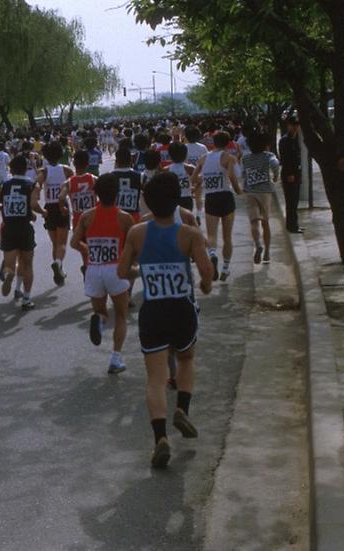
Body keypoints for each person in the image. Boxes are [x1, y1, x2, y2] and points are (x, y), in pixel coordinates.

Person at [117, 172, 213, 468]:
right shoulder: (189, 234)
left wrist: (142, 271)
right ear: (176, 201)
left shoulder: (137, 232)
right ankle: (182, 408)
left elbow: (122, 272)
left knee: (156, 378)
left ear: (148, 201)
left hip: (153, 311)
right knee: (185, 359)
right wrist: (206, 287)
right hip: (182, 309)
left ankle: (160, 438)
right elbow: (207, 271)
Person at [72, 173, 134, 374]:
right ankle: (115, 359)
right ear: (117, 193)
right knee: (122, 315)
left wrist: (86, 249)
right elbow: (134, 248)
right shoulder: (125, 218)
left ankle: (98, 320)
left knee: (101, 312)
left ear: (96, 194)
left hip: (94, 269)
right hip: (115, 270)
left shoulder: (87, 216)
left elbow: (74, 242)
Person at [0, 155, 45, 310]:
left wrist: (7, 205)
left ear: (10, 168)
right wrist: (43, 212)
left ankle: (10, 273)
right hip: (24, 227)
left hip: (8, 227)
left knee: (10, 263)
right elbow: (33, 204)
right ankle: (27, 299)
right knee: (27, 264)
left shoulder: (4, 184)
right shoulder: (32, 184)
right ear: (26, 168)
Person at [192, 130, 243, 281]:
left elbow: (194, 178)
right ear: (228, 143)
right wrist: (239, 191)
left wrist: (205, 179)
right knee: (227, 237)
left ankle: (213, 255)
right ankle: (226, 268)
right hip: (226, 196)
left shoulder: (203, 158)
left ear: (213, 142)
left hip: (211, 197)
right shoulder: (229, 158)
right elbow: (234, 176)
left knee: (212, 235)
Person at [38, 142, 74, 286]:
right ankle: (58, 263)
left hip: (49, 207)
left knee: (55, 243)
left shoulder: (44, 171)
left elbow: (36, 186)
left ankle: (59, 266)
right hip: (62, 207)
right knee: (62, 243)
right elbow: (73, 189)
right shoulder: (66, 170)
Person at [242, 132, 280, 264]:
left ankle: (258, 244)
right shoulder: (268, 156)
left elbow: (242, 174)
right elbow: (275, 164)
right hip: (265, 192)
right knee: (265, 222)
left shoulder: (246, 159)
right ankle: (267, 253)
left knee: (254, 221)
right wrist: (276, 176)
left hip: (250, 192)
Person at [278, 117, 303, 233]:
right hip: (289, 174)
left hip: (297, 173)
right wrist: (290, 173)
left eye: (297, 125)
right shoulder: (285, 140)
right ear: (288, 126)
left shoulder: (296, 139)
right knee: (291, 201)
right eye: (293, 125)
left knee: (295, 200)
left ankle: (294, 224)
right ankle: (292, 226)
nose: (295, 127)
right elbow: (285, 159)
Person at [165, 142, 196, 211]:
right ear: (185, 154)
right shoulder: (190, 168)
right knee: (187, 220)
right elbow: (199, 180)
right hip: (186, 198)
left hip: (172, 199)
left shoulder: (166, 169)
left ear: (170, 155)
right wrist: (194, 189)